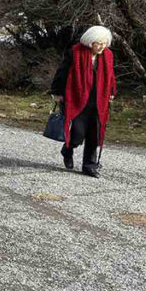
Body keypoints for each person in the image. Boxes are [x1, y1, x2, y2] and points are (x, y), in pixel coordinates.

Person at [50, 26, 117, 178]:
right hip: (78, 98)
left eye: (104, 43)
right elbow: (62, 72)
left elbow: (111, 76)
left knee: (95, 133)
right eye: (98, 43)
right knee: (77, 135)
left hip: (98, 100)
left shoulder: (108, 55)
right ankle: (68, 149)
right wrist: (57, 92)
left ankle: (89, 166)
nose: (102, 47)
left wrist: (112, 91)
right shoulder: (75, 52)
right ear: (89, 41)